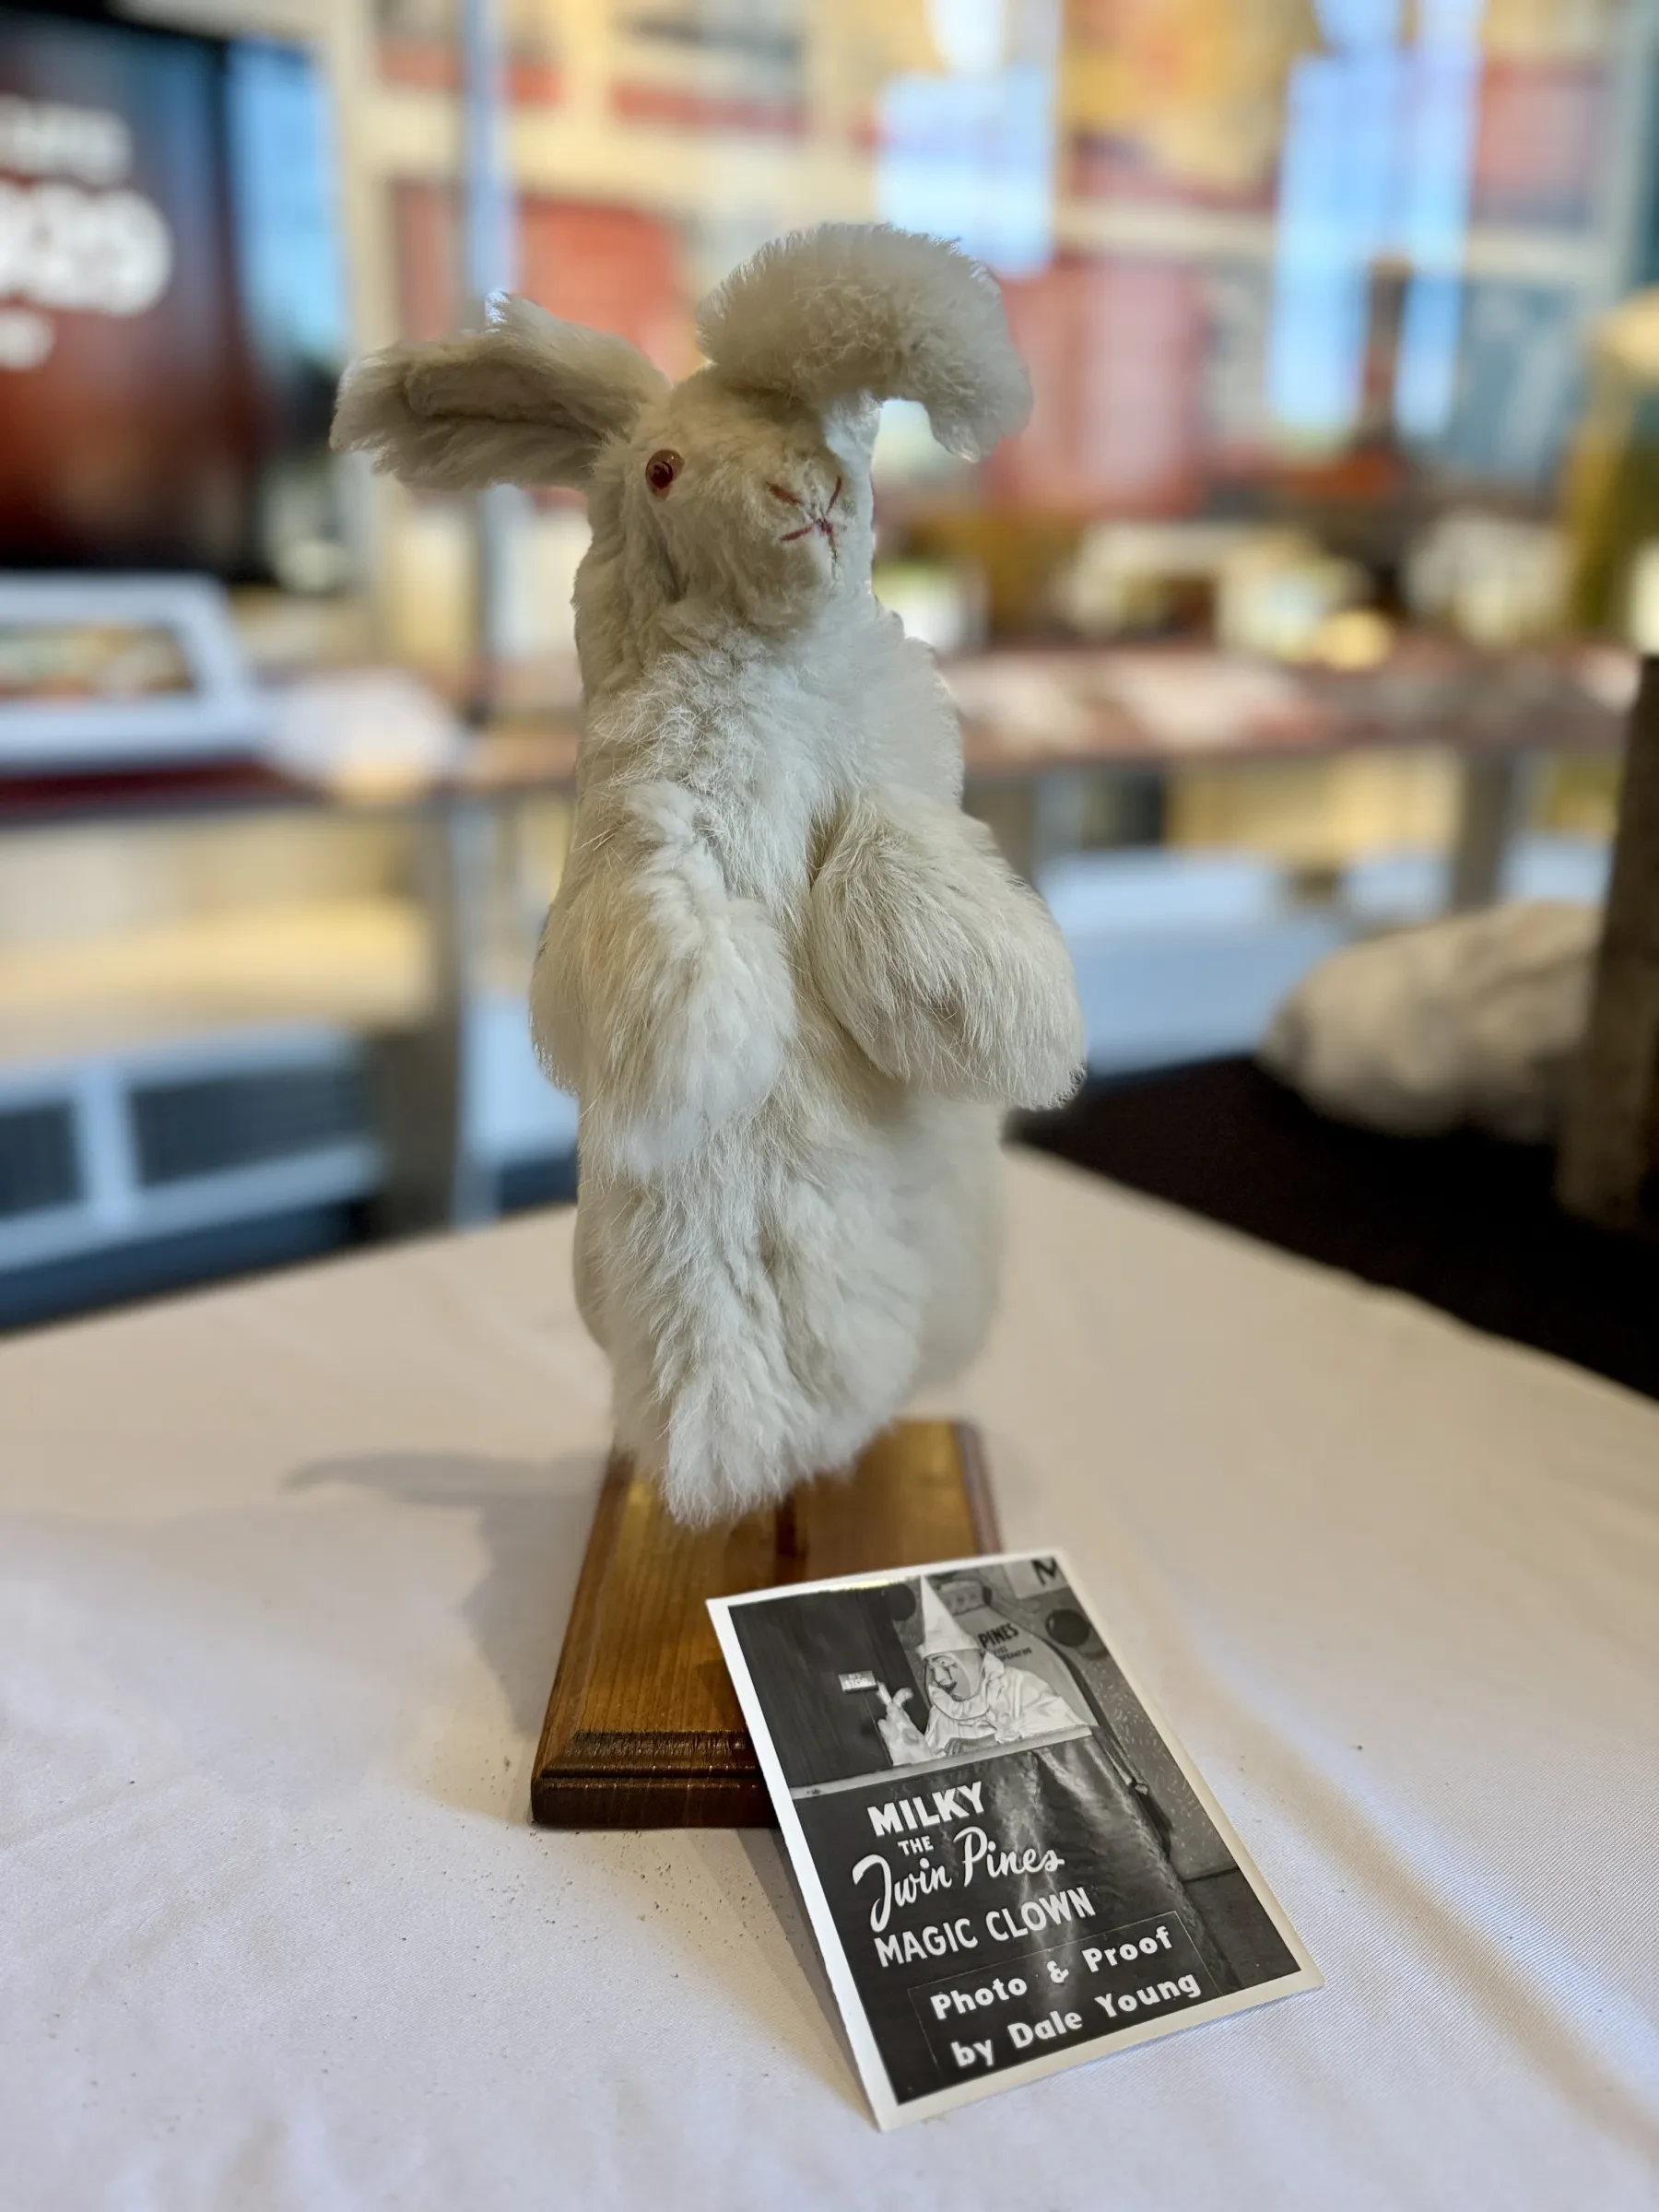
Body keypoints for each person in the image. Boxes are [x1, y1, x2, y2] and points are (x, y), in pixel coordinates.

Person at [876, 1582, 1085, 1765]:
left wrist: (987, 1743)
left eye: (945, 1665)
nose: (940, 1679)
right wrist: (912, 1755)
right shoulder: (942, 1714)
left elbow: (1066, 1729)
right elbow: (937, 1778)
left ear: (968, 1662)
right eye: (932, 1669)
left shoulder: (1015, 1686)